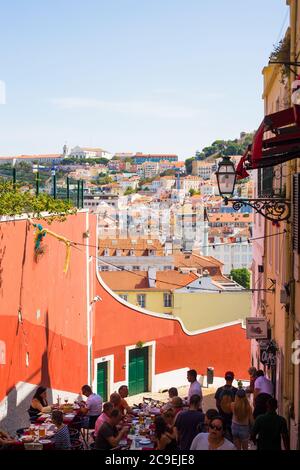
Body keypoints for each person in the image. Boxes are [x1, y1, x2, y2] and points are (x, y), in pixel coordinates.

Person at [214, 371, 237, 438]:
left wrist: (221, 411)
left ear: (225, 378)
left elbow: (217, 404)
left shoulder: (219, 390)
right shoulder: (235, 390)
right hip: (232, 418)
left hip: (221, 416)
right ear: (233, 379)